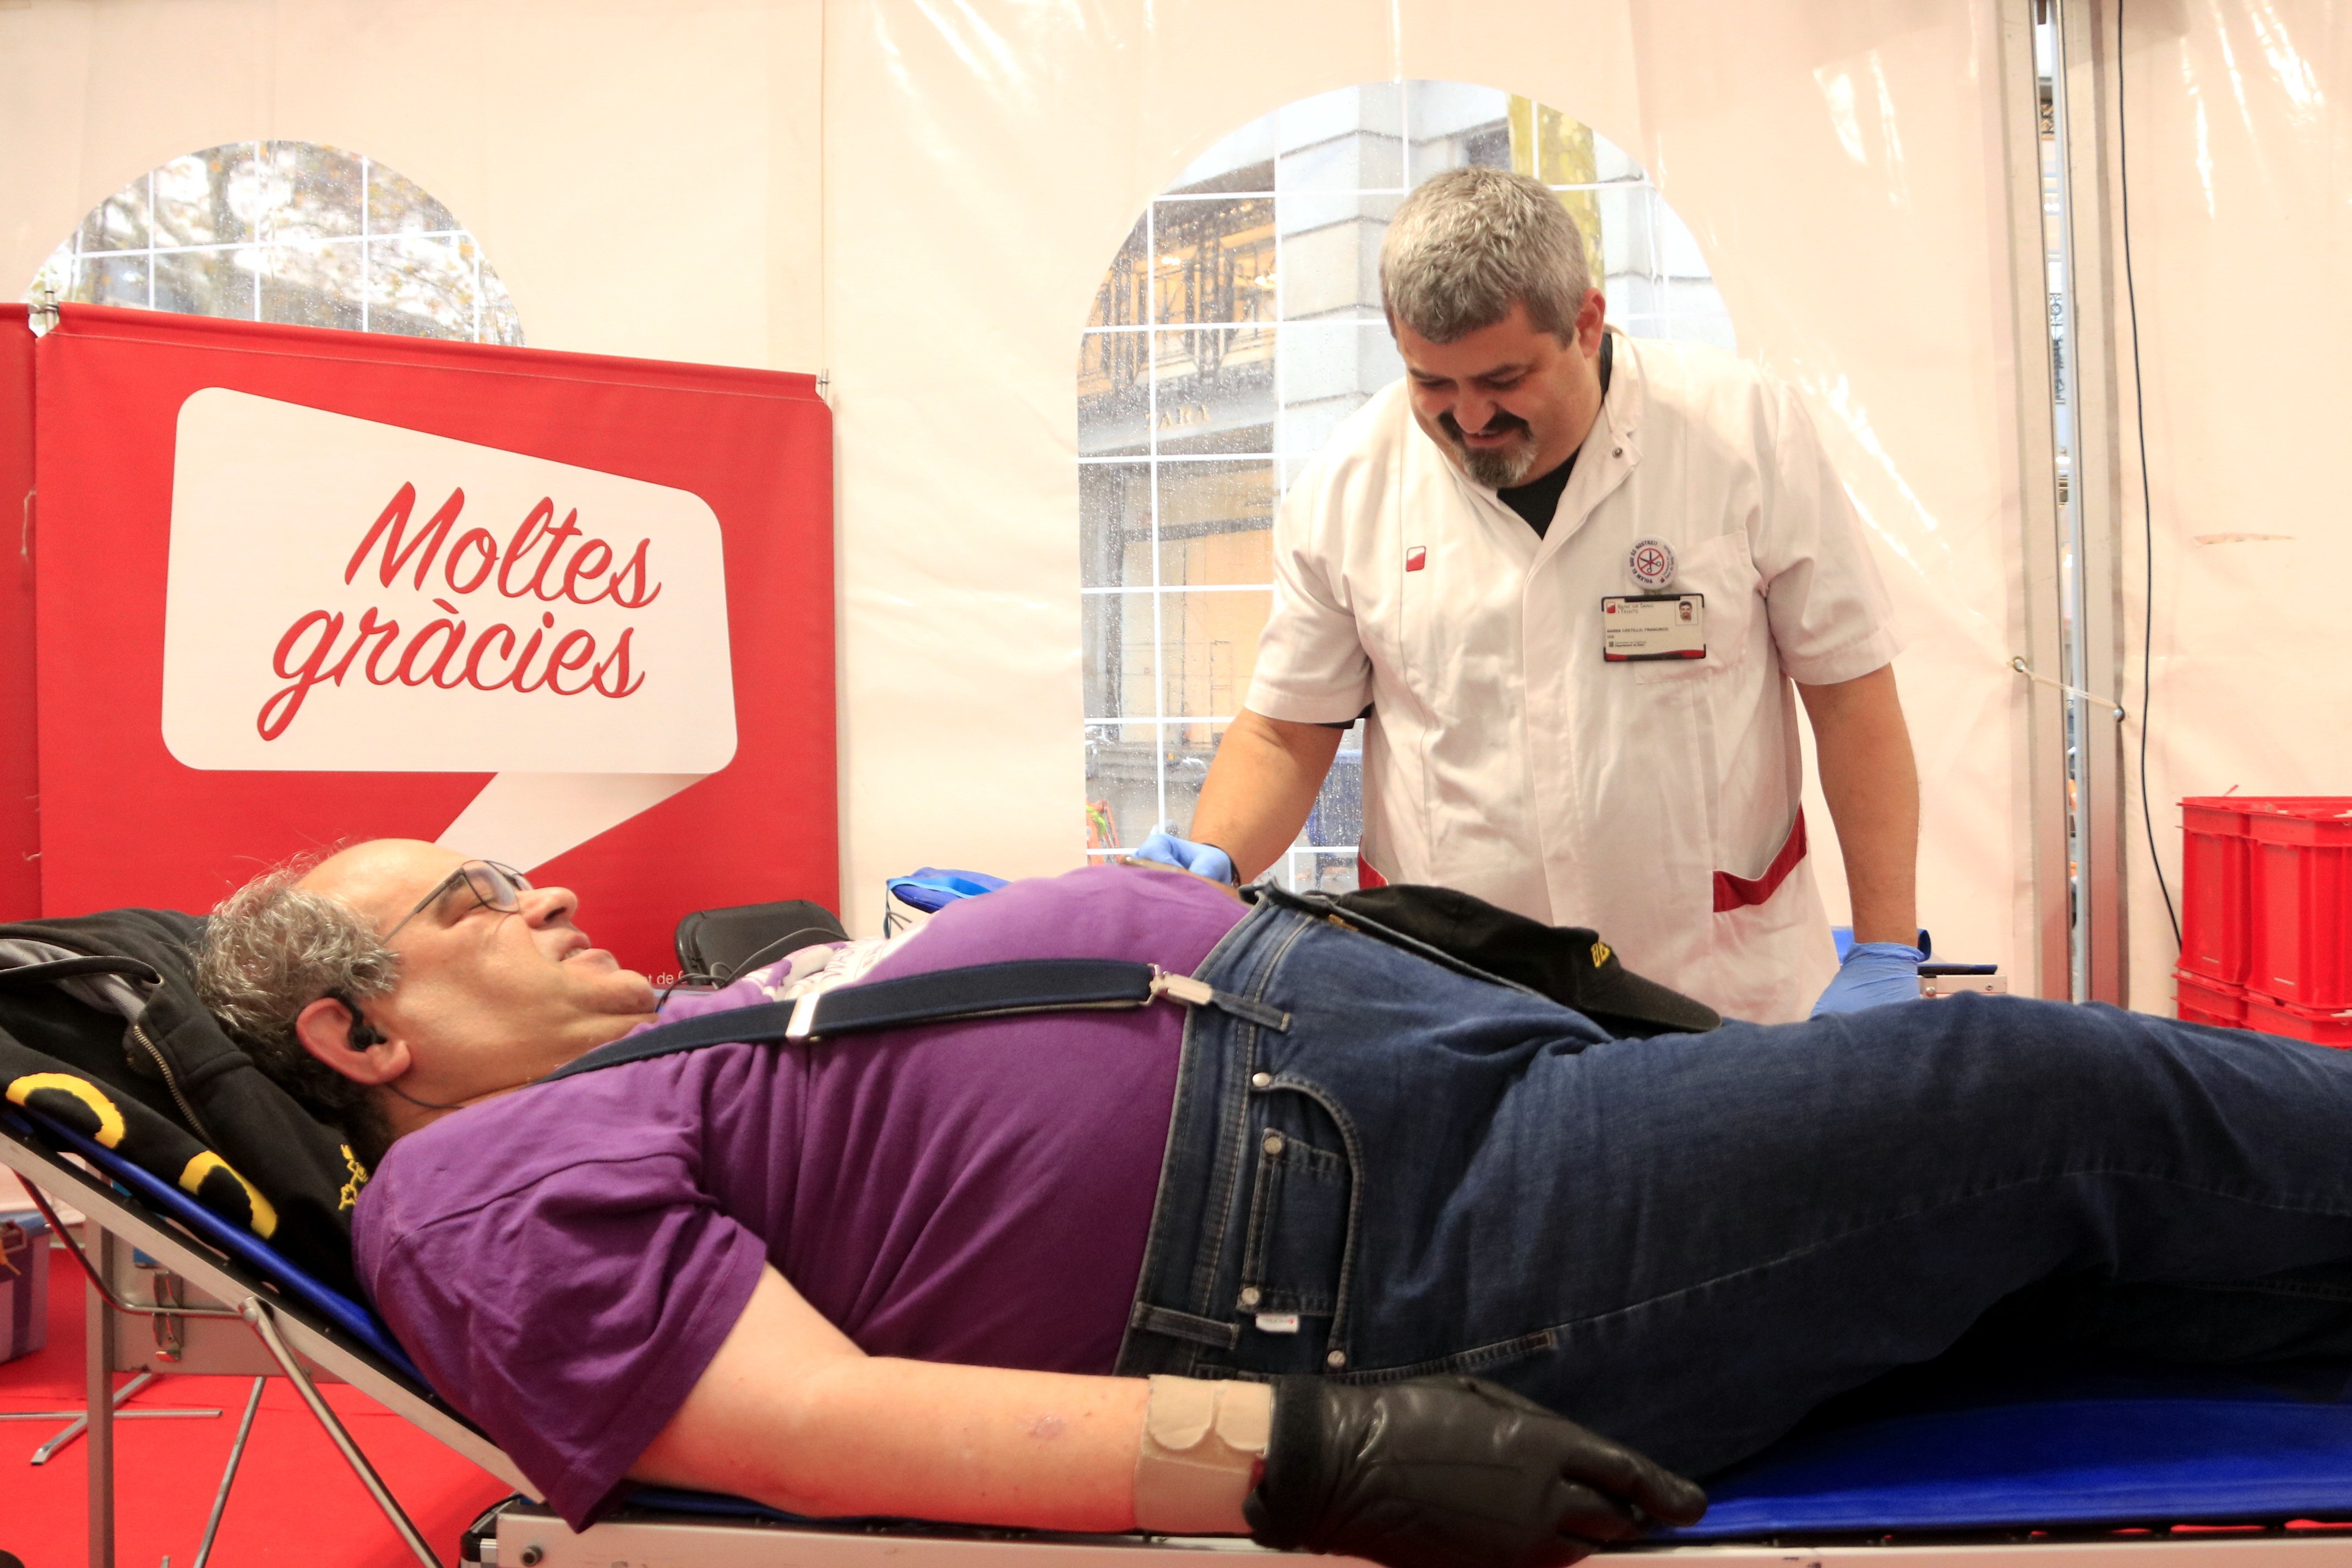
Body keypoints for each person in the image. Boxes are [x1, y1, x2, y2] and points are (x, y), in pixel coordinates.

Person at [200, 841, 2352, 1568]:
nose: (549, 886)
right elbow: (801, 1425)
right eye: (471, 899)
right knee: (2027, 1099)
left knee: (2076, 1250)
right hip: (1383, 1247)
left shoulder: (667, 1036)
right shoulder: (467, 1193)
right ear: (360, 1039)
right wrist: (1309, 1457)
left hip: (1409, 1110)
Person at [1136, 166, 1921, 1023]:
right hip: (1459, 1009)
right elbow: (1288, 734)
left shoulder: (1743, 433)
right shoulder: (1350, 487)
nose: (1469, 419)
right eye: (1431, 383)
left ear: (1587, 323)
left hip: (1720, 986)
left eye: (1503, 380)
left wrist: (1886, 945)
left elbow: (1849, 695)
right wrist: (1210, 867)